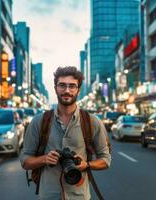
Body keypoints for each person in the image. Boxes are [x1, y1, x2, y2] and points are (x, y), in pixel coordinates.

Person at [20, 66, 111, 200]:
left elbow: (106, 160)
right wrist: (44, 159)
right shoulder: (39, 122)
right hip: (48, 195)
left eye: (72, 86)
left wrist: (87, 165)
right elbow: (25, 160)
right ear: (55, 88)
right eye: (62, 85)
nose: (67, 90)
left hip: (79, 196)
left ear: (78, 90)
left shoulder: (92, 122)